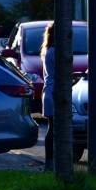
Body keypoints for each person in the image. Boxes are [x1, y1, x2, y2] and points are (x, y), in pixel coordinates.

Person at [40, 22, 55, 172]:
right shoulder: (55, 51)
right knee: (54, 129)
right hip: (54, 93)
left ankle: (50, 162)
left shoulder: (48, 50)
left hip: (49, 92)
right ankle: (50, 162)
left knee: (52, 127)